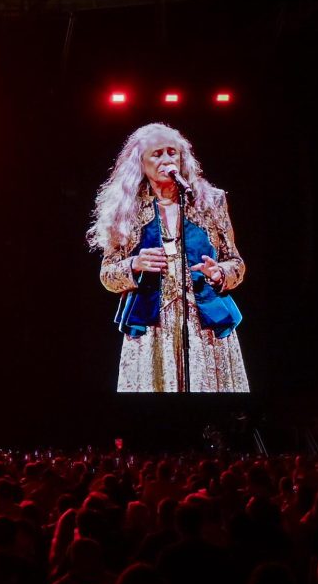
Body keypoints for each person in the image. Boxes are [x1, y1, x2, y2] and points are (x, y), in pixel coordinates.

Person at [88, 122, 248, 392]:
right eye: (157, 153)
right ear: (141, 162)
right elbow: (108, 275)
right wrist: (133, 264)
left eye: (172, 152)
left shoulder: (212, 201)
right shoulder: (125, 208)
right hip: (153, 328)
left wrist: (221, 272)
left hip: (204, 326)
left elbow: (236, 263)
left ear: (182, 157)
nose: (166, 160)